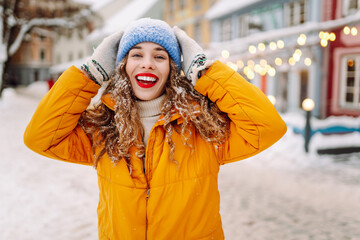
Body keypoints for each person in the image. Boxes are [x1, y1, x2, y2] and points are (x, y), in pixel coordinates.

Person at [24, 18, 287, 240]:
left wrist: (204, 71)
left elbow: (267, 126)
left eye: (159, 56)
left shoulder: (202, 126)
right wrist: (89, 75)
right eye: (136, 54)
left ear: (173, 69)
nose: (147, 63)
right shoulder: (102, 130)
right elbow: (41, 138)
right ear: (123, 67)